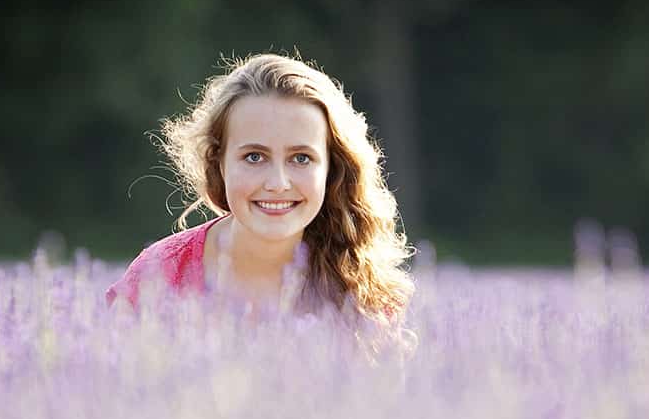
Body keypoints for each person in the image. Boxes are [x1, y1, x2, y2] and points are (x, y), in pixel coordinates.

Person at [106, 52, 417, 359]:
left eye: (301, 158)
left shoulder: (365, 292)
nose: (278, 183)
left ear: (331, 169)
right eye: (254, 157)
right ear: (219, 163)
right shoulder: (160, 276)